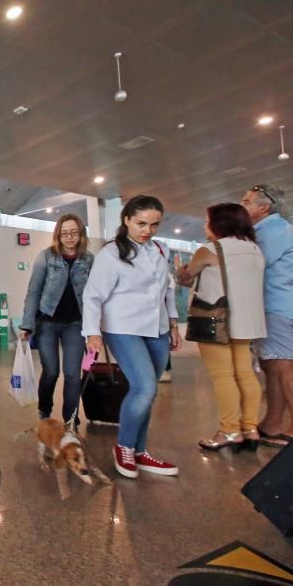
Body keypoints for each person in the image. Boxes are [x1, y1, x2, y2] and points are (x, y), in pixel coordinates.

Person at [81, 195, 182, 479]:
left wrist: (173, 322)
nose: (147, 230)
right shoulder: (111, 254)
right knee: (144, 387)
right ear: (126, 219)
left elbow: (168, 289)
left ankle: (140, 451)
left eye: (154, 224)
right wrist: (92, 333)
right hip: (123, 327)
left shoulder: (160, 249)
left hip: (158, 328)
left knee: (147, 393)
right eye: (141, 223)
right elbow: (93, 296)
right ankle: (124, 447)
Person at [178, 203, 265, 451]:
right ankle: (249, 428)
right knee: (246, 374)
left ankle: (229, 431)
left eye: (207, 221)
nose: (204, 225)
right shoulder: (254, 249)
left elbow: (187, 278)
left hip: (217, 318)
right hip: (248, 320)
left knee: (222, 375)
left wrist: (181, 272)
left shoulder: (210, 249)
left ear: (219, 223)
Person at [18, 214, 94, 425]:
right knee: (51, 371)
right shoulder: (46, 257)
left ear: (81, 235)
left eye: (74, 233)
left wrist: (95, 328)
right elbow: (33, 291)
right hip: (47, 323)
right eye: (64, 233)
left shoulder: (89, 259)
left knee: (72, 374)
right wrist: (27, 324)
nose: (69, 237)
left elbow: (95, 296)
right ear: (58, 235)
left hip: (76, 324)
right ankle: (45, 410)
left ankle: (71, 418)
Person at [240, 184, 293, 447]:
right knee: (273, 366)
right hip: (278, 307)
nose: (243, 206)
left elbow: (255, 264)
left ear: (264, 207)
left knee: (284, 369)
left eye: (247, 202)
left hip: (277, 307)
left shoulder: (272, 231)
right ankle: (272, 424)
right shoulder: (277, 229)